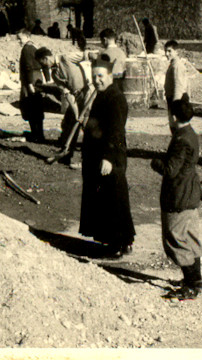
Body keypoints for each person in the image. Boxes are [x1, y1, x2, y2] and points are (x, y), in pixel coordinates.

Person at [79, 57, 135, 258]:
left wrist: (108, 158)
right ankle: (117, 241)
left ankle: (119, 244)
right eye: (94, 76)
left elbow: (116, 131)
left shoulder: (116, 98)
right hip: (99, 156)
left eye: (101, 76)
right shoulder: (102, 95)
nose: (97, 80)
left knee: (114, 200)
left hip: (110, 158)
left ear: (110, 76)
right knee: (104, 199)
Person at [151, 97, 202, 300]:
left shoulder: (181, 139)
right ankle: (196, 280)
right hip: (191, 192)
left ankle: (191, 284)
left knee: (175, 239)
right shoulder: (191, 133)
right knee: (190, 237)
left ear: (173, 117)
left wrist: (156, 162)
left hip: (179, 195)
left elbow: (170, 170)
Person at [35, 46, 90, 167]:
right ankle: (66, 154)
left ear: (46, 58)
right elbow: (68, 94)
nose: (43, 66)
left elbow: (88, 55)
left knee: (87, 125)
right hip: (76, 98)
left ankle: (89, 160)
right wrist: (76, 114)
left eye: (42, 63)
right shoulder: (55, 74)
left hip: (88, 93)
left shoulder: (66, 58)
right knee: (69, 123)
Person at [17, 28, 45, 142]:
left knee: (29, 105)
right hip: (38, 77)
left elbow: (28, 66)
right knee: (37, 106)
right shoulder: (35, 48)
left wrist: (29, 83)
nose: (19, 41)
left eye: (20, 38)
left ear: (27, 37)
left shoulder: (26, 49)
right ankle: (40, 134)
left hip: (30, 79)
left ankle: (35, 134)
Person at [164, 40, 190, 131]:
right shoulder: (173, 64)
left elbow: (178, 86)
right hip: (173, 99)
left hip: (177, 99)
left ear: (176, 52)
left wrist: (175, 108)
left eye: (169, 51)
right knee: (174, 126)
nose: (167, 54)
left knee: (177, 126)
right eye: (165, 51)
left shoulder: (177, 66)